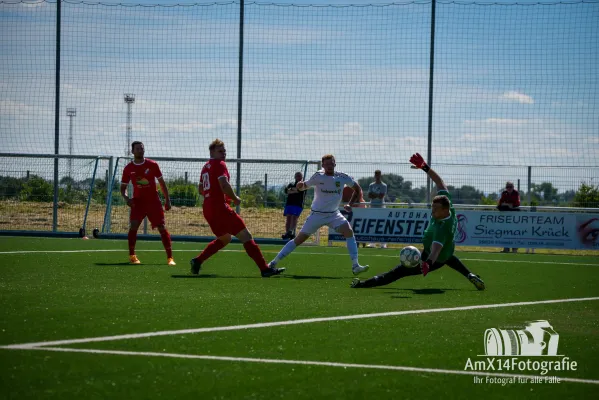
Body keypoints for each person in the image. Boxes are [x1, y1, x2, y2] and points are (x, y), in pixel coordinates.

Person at [351, 153, 485, 291]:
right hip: (447, 251)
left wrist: (427, 264)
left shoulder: (441, 228)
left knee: (398, 272)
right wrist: (425, 167)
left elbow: (435, 251)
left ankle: (362, 284)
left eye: (436, 209)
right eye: (432, 207)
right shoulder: (447, 203)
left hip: (434, 258)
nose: (432, 212)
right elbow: (440, 182)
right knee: (449, 257)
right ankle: (470, 275)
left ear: (445, 210)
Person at [189, 139, 284, 277]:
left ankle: (197, 261)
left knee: (225, 238)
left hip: (208, 208)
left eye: (224, 151)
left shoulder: (205, 166)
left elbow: (200, 189)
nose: (223, 154)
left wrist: (215, 195)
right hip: (219, 208)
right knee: (246, 236)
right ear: (212, 152)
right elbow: (224, 184)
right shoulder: (220, 164)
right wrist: (234, 198)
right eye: (220, 151)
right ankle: (265, 269)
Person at [268, 154, 369, 275]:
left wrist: (350, 204)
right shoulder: (318, 176)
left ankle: (355, 265)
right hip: (316, 215)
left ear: (335, 164)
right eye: (327, 164)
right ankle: (273, 263)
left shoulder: (342, 177)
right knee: (299, 239)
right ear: (323, 165)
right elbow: (304, 186)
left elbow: (357, 189)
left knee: (349, 232)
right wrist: (300, 186)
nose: (329, 166)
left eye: (331, 163)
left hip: (334, 215)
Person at [120, 141, 175, 266]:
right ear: (132, 151)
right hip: (138, 202)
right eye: (138, 148)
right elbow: (122, 188)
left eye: (142, 148)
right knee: (133, 226)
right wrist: (127, 199)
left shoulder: (152, 164)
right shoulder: (128, 168)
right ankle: (132, 256)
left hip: (153, 202)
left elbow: (162, 184)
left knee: (161, 227)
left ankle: (170, 258)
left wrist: (167, 200)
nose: (140, 150)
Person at [366, 170, 388, 249]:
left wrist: (374, 194)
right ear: (374, 176)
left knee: (382, 224)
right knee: (372, 225)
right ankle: (372, 243)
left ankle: (383, 244)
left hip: (381, 207)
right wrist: (376, 195)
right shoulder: (371, 185)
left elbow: (381, 196)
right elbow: (369, 195)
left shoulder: (384, 185)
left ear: (380, 176)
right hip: (372, 206)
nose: (377, 177)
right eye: (376, 175)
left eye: (378, 175)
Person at [497, 181, 521, 253]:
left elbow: (517, 203)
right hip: (506, 216)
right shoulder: (504, 193)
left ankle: (514, 249)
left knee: (515, 232)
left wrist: (511, 205)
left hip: (514, 216)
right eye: (508, 187)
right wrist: (507, 204)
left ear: (513, 187)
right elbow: (500, 203)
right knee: (505, 231)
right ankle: (506, 248)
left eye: (510, 187)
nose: (509, 188)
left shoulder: (516, 193)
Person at [282, 172, 306, 240]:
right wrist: (294, 190)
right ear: (295, 177)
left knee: (294, 217)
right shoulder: (291, 184)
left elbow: (299, 190)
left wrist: (292, 190)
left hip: (298, 204)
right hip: (289, 203)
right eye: (297, 176)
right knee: (288, 218)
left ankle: (291, 231)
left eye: (300, 176)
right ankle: (287, 233)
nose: (298, 177)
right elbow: (286, 191)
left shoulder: (303, 185)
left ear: (302, 177)